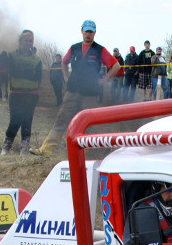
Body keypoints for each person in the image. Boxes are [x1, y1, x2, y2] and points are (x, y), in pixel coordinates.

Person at [29, 19, 121, 156]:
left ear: (95, 33)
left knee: (88, 123)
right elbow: (64, 62)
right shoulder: (74, 48)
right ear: (81, 31)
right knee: (61, 118)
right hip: (72, 91)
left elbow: (116, 66)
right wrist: (66, 78)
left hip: (90, 93)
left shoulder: (100, 50)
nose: (88, 34)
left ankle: (86, 153)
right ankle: (46, 149)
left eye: (91, 32)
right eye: (86, 31)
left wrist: (104, 80)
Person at [1, 29, 43, 156]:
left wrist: (22, 73)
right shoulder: (12, 56)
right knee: (15, 119)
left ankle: (24, 146)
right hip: (16, 92)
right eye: (26, 40)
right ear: (20, 41)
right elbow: (12, 72)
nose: (28, 43)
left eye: (31, 41)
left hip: (31, 94)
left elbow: (38, 77)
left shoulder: (37, 59)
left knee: (27, 120)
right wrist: (29, 73)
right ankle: (7, 144)